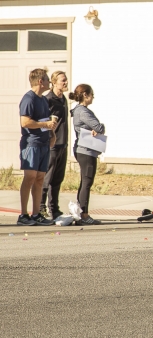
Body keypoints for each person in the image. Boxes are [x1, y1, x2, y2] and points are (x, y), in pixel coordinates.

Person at [18, 68, 56, 226]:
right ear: (41, 81)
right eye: (48, 79)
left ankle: (36, 214)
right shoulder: (29, 98)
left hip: (43, 143)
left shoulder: (43, 100)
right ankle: (23, 215)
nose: (50, 82)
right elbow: (25, 122)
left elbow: (46, 120)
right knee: (30, 177)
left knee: (40, 179)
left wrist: (51, 133)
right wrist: (44, 124)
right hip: (31, 144)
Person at [70, 84, 104, 225]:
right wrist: (99, 128)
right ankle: (84, 215)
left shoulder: (79, 111)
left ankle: (80, 212)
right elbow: (99, 127)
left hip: (84, 150)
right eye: (92, 94)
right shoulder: (83, 111)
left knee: (85, 182)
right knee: (87, 182)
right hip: (86, 151)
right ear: (85, 95)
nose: (93, 97)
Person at [42, 70, 69, 220]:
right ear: (54, 82)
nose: (65, 83)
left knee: (57, 179)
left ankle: (54, 209)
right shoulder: (48, 100)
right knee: (47, 178)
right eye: (62, 80)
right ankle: (41, 208)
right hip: (52, 145)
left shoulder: (63, 99)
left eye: (66, 80)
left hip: (62, 144)